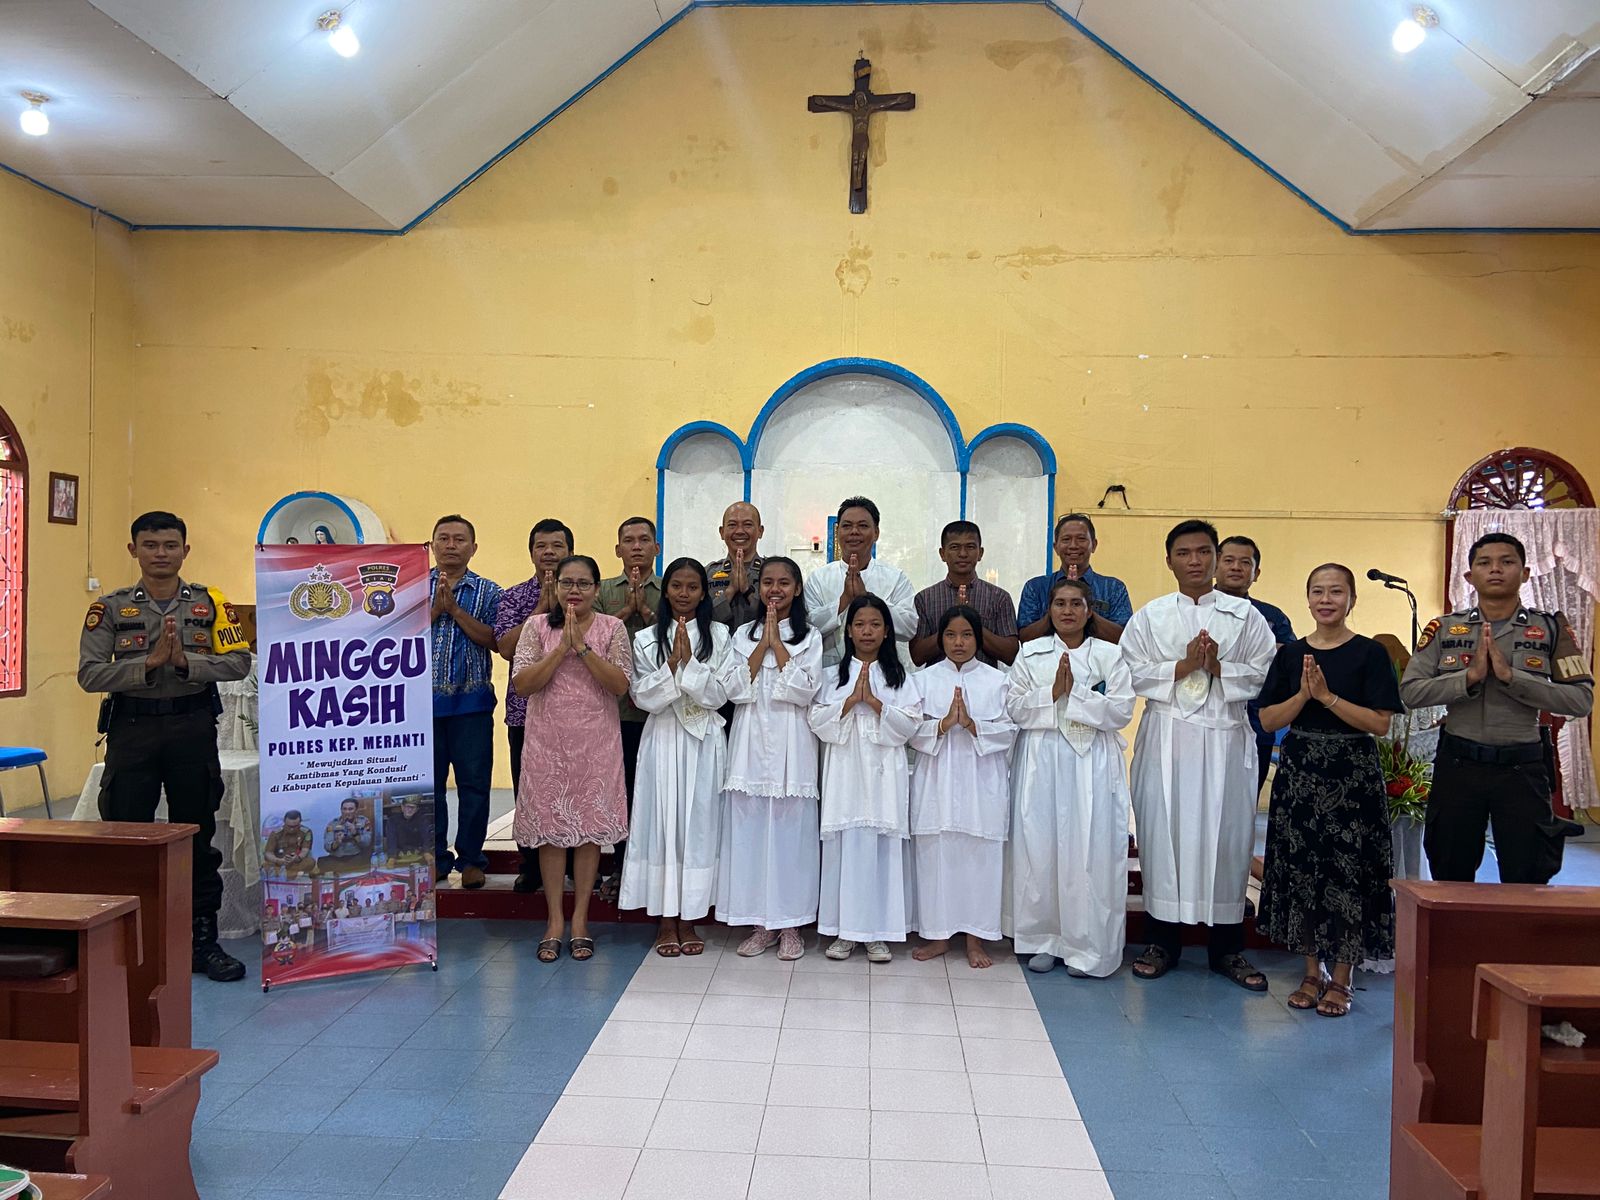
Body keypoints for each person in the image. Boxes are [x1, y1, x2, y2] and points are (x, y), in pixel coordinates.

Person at [77, 510, 252, 982]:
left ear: (185, 551)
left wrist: (188, 664)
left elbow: (238, 663)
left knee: (197, 838)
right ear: (133, 550)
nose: (161, 554)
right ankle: (127, 945)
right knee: (127, 838)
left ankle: (202, 941)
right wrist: (147, 665)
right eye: (150, 546)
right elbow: (90, 674)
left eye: (170, 546)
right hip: (133, 732)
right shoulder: (110, 609)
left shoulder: (209, 604)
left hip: (191, 730)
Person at [1121, 519, 1277, 990]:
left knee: (1227, 839)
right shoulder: (1151, 615)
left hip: (1226, 737)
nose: (1194, 561)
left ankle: (1227, 948)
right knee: (1162, 834)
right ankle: (1161, 941)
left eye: (1203, 552)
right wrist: (1184, 666)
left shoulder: (1245, 616)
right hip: (1167, 735)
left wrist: (1218, 667)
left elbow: (1266, 672)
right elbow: (1129, 670)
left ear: (1215, 558)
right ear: (1168, 560)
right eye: (1184, 553)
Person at [1401, 532, 1594, 884]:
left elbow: (1580, 700)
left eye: (1507, 562)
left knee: (1528, 875)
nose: (1495, 570)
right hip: (1459, 765)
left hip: (1522, 767)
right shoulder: (1443, 629)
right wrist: (1468, 678)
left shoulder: (1549, 629)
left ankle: (1519, 941)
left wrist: (1512, 678)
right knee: (1450, 871)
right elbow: (1411, 693)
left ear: (1525, 573)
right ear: (1468, 576)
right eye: (1484, 563)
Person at [1258, 564, 1401, 1017]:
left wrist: (1328, 699)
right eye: (1317, 591)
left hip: (1351, 773)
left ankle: (1343, 977)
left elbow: (1380, 723)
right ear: (1307, 598)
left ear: (1352, 599)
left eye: (1336, 591)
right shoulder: (1291, 656)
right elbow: (1267, 721)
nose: (1326, 599)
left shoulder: (1369, 654)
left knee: (1348, 873)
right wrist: (1304, 696)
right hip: (1301, 771)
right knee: (1303, 870)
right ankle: (1309, 971)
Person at [1004, 577, 1136, 977]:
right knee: (1040, 848)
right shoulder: (1031, 653)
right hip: (1042, 759)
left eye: (1075, 604)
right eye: (1059, 603)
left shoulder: (1109, 656)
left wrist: (1074, 695)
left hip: (1091, 761)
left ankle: (1088, 946)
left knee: (1090, 850)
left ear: (1089, 610)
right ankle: (1043, 939)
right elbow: (1013, 705)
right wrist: (1050, 695)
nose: (1067, 611)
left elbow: (1122, 709)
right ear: (1049, 610)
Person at [512, 553, 633, 962]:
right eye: (568, 583)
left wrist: (581, 648)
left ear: (597, 590)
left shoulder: (612, 628)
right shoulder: (536, 627)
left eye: (583, 584)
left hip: (596, 744)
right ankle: (554, 922)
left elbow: (619, 684)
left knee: (588, 833)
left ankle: (580, 920)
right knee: (550, 831)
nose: (575, 591)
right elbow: (524, 684)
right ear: (556, 586)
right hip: (548, 744)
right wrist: (559, 649)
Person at [620, 558, 732, 956]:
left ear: (704, 593)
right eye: (677, 587)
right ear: (666, 591)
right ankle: (666, 922)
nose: (684, 594)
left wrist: (692, 666)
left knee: (698, 826)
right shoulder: (647, 639)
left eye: (692, 587)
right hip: (664, 738)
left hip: (703, 741)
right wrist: (672, 664)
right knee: (664, 824)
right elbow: (642, 696)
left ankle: (690, 919)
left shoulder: (720, 635)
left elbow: (721, 694)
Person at [716, 557, 824, 960]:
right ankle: (760, 924)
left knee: (790, 836)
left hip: (792, 740)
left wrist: (777, 645)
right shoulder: (742, 633)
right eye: (767, 583)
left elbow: (806, 689)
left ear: (797, 589)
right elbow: (731, 688)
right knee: (751, 831)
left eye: (784, 583)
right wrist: (762, 644)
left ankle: (791, 924)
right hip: (748, 741)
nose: (774, 590)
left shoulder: (809, 635)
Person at [810, 594, 921, 961]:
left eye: (875, 625)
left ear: (887, 631)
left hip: (883, 777)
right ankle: (844, 931)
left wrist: (874, 702)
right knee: (846, 847)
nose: (867, 631)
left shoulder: (902, 678)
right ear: (849, 631)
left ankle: (877, 933)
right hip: (844, 775)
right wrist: (848, 701)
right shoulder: (831, 676)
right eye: (860, 625)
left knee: (881, 850)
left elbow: (910, 727)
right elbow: (817, 722)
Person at [908, 605, 1016, 968]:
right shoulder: (922, 680)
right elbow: (907, 731)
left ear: (978, 638)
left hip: (980, 782)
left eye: (967, 635)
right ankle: (938, 936)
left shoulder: (998, 681)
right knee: (937, 855)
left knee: (979, 859)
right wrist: (940, 725)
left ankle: (974, 939)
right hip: (936, 781)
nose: (958, 642)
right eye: (951, 635)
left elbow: (1010, 731)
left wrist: (972, 725)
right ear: (940, 639)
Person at [494, 518, 575, 891]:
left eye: (556, 546)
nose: (548, 553)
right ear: (530, 552)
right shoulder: (513, 597)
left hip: (575, 714)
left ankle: (574, 864)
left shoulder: (581, 592)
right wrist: (542, 606)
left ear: (569, 552)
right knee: (529, 792)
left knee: (573, 789)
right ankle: (531, 865)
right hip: (526, 712)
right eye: (541, 546)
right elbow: (507, 649)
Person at [428, 515, 502, 890]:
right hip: (422, 709)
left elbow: (495, 640)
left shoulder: (489, 591)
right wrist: (434, 611)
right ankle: (436, 858)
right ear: (433, 545)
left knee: (474, 785)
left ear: (473, 548)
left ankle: (472, 859)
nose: (451, 545)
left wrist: (455, 612)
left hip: (471, 707)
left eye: (460, 539)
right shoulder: (410, 587)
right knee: (430, 786)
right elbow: (396, 638)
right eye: (444, 538)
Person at [595, 516, 663, 897]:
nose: (636, 547)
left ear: (656, 547)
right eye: (628, 541)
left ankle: (652, 867)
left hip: (657, 711)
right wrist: (625, 614)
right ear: (617, 549)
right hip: (613, 709)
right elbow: (593, 638)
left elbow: (675, 634)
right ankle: (620, 866)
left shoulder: (669, 588)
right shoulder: (603, 590)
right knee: (619, 789)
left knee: (651, 791)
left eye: (644, 540)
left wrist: (648, 614)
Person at [1215, 535, 1297, 796]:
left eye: (1244, 562)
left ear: (1256, 572)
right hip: (1202, 723)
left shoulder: (1271, 616)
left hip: (1255, 723)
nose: (1236, 567)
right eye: (1228, 560)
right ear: (1215, 566)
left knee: (1243, 806)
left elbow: (1289, 663)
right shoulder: (1194, 609)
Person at [802, 497, 917, 669]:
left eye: (863, 526)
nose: (854, 532)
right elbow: (806, 627)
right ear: (837, 531)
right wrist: (843, 602)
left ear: (876, 533)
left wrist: (867, 598)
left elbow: (909, 627)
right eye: (847, 526)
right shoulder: (819, 579)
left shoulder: (895, 578)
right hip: (829, 674)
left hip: (884, 672)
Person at [908, 521, 1020, 668]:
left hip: (985, 685)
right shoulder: (925, 598)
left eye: (970, 547)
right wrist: (950, 626)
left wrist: (972, 622)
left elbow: (1010, 654)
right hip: (937, 685)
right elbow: (917, 656)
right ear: (942, 554)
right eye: (955, 547)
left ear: (980, 553)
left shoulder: (999, 597)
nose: (962, 554)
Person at [1017, 514, 1133, 645]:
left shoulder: (1113, 588)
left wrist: (1085, 608)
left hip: (1100, 663)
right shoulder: (1036, 587)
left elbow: (1126, 639)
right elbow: (1024, 637)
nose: (1073, 546)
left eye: (1081, 539)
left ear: (1094, 545)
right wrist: (1057, 609)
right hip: (1046, 663)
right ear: (1055, 547)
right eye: (1066, 539)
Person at [707, 501, 765, 628]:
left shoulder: (773, 573)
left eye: (748, 525)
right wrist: (730, 591)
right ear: (722, 532)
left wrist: (747, 591)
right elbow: (701, 621)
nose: (739, 531)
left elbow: (781, 620)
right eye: (732, 525)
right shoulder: (708, 574)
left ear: (760, 531)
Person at [264, 810, 318, 876]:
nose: (291, 829)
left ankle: (287, 874)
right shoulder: (276, 833)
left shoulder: (306, 832)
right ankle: (291, 874)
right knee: (266, 865)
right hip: (279, 861)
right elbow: (268, 853)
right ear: (284, 822)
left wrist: (297, 858)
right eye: (289, 826)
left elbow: (305, 850)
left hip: (296, 861)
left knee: (310, 862)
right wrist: (278, 860)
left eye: (295, 826)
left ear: (300, 822)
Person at [323, 798, 374, 864]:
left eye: (350, 809)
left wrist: (355, 833)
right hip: (337, 857)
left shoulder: (364, 821)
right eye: (344, 809)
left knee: (364, 860)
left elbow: (366, 843)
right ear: (341, 810)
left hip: (356, 855)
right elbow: (327, 847)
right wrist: (337, 842)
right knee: (322, 863)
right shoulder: (333, 824)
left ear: (356, 810)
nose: (347, 812)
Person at [385, 796, 429, 863]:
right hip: (398, 856)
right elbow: (391, 839)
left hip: (419, 854)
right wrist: (392, 856)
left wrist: (427, 851)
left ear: (416, 809)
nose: (410, 810)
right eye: (407, 807)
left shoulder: (422, 820)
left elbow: (426, 837)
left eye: (413, 807)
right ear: (402, 807)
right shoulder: (392, 821)